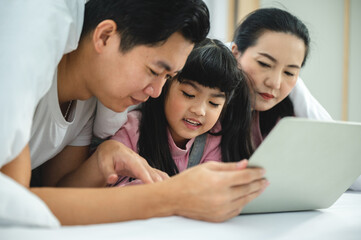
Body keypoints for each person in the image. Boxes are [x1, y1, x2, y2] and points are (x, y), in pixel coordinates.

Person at [0, 0, 266, 226]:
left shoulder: (89, 102)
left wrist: (103, 159)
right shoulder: (22, 69)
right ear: (105, 37)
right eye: (154, 71)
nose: (156, 91)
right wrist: (172, 196)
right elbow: (19, 207)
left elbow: (58, 193)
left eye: (168, 77)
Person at [104, 38, 261, 187]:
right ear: (165, 85)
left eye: (214, 103)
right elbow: (109, 194)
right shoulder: (133, 130)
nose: (199, 110)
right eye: (188, 94)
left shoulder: (213, 137)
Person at [231, 8, 331, 147]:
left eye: (289, 73)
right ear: (235, 53)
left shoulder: (287, 118)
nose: (275, 83)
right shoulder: (202, 110)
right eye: (264, 64)